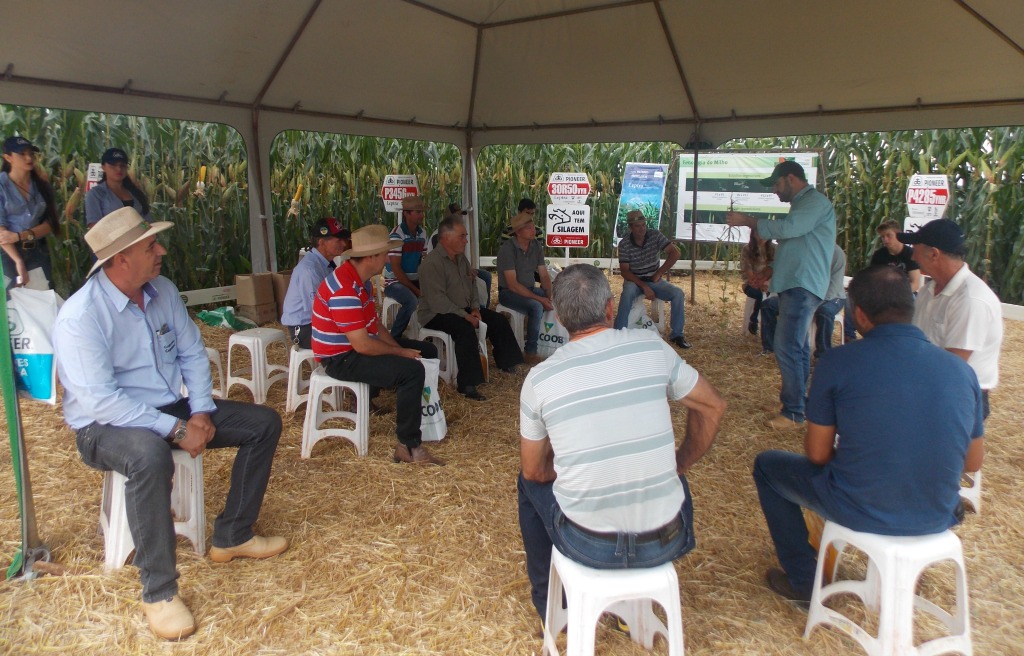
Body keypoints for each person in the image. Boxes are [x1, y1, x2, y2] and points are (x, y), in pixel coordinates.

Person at [52, 207, 288, 640]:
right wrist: (177, 430)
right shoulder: (81, 316)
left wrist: (199, 411)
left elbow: (193, 353)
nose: (160, 251)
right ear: (121, 258)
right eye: (150, 246)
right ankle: (159, 591)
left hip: (168, 406)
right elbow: (103, 402)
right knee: (149, 455)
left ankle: (232, 534)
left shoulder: (161, 290)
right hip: (103, 426)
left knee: (263, 422)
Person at [752, 265, 983, 605]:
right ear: (912, 306)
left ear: (858, 313)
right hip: (938, 512)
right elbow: (973, 461)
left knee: (768, 466)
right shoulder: (962, 371)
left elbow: (817, 454)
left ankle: (803, 582)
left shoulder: (839, 362)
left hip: (859, 506)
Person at [517, 264, 726, 621]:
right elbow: (712, 406)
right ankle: (632, 609)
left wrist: (573, 467)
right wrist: (681, 463)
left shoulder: (540, 380)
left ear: (561, 319)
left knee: (525, 483)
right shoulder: (652, 347)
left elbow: (536, 471)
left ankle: (554, 610)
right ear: (611, 308)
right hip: (667, 537)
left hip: (589, 544)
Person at [311, 224, 443, 465]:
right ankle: (409, 445)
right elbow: (363, 345)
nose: (387, 259)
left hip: (352, 348)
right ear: (371, 257)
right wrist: (400, 352)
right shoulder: (345, 289)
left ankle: (413, 420)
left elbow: (375, 326)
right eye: (384, 254)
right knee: (412, 371)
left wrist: (399, 350)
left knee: (427, 351)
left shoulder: (361, 281)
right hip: (339, 357)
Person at [726, 161, 836, 429]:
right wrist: (771, 271)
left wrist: (748, 221)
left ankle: (794, 413)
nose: (775, 191)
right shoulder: (803, 207)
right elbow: (798, 247)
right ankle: (797, 402)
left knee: (787, 347)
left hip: (803, 285)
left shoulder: (814, 203)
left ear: (790, 179)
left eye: (776, 184)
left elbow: (788, 230)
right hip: (796, 283)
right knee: (795, 348)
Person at [899, 219, 1003, 419]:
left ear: (934, 254)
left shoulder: (971, 299)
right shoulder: (929, 289)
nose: (913, 256)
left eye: (916, 249)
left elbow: (953, 363)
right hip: (932, 386)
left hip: (958, 394)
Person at [417, 216, 524, 400]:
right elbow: (438, 301)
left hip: (463, 308)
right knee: (465, 330)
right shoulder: (431, 263)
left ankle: (508, 362)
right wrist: (465, 316)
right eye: (462, 236)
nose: (466, 240)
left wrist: (475, 308)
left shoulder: (461, 259)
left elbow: (472, 284)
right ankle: (467, 384)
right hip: (436, 313)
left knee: (497, 320)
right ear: (446, 238)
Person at [613, 210, 691, 348]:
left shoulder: (655, 235)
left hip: (653, 278)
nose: (642, 228)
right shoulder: (624, 244)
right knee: (627, 294)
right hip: (634, 280)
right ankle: (618, 334)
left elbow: (675, 253)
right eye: (638, 226)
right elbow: (625, 271)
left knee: (678, 293)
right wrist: (644, 286)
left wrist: (659, 273)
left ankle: (677, 334)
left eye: (644, 225)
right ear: (630, 228)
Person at [0, 136, 60, 291]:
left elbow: (50, 224)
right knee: (10, 303)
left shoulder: (42, 186)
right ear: (8, 158)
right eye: (22, 154)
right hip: (7, 254)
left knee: (41, 298)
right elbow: (2, 233)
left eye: (31, 154)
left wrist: (20, 236)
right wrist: (18, 260)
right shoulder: (2, 186)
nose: (28, 158)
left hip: (37, 250)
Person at [280, 217, 350, 348]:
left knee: (357, 333)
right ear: (322, 242)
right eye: (338, 239)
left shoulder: (325, 264)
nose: (344, 244)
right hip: (304, 329)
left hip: (313, 324)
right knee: (353, 339)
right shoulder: (310, 270)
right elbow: (318, 311)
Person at [496, 208, 553, 364]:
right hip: (508, 292)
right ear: (518, 232)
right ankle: (531, 351)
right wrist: (541, 299)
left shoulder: (536, 246)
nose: (533, 230)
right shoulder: (507, 250)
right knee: (536, 306)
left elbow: (544, 275)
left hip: (527, 289)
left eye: (533, 227)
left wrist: (549, 293)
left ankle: (554, 343)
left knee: (553, 299)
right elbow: (512, 285)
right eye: (528, 228)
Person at [426, 203, 492, 306]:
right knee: (476, 286)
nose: (461, 217)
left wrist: (468, 269)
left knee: (486, 276)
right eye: (458, 215)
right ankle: (478, 309)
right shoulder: (438, 235)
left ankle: (482, 310)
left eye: (461, 215)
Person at [383, 194, 428, 338]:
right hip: (395, 282)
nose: (421, 215)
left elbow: (424, 261)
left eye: (422, 211)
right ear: (406, 214)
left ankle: (429, 332)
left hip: (414, 279)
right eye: (418, 212)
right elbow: (396, 269)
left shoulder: (422, 233)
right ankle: (395, 337)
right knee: (411, 301)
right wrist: (416, 290)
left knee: (438, 293)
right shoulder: (397, 235)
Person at [84, 147, 153, 227]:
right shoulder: (95, 194)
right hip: (110, 239)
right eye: (113, 165)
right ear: (103, 167)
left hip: (141, 238)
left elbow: (146, 222)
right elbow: (94, 226)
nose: (119, 169)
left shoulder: (136, 193)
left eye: (122, 165)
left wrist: (144, 231)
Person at [811, 244, 847, 359]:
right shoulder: (809, 250)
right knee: (769, 305)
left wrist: (815, 303)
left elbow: (834, 285)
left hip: (834, 296)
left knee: (824, 312)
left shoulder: (837, 253)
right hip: (810, 295)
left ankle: (822, 355)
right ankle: (770, 349)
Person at [740, 228, 774, 335]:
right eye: (757, 232)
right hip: (752, 283)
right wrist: (757, 282)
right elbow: (747, 269)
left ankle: (757, 321)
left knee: (768, 296)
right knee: (760, 295)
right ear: (753, 234)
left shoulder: (774, 249)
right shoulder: (747, 249)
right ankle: (754, 320)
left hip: (771, 283)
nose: (761, 235)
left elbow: (775, 269)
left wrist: (766, 283)